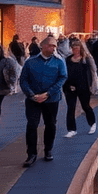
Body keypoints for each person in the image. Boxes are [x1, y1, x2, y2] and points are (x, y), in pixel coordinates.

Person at [19, 37, 68, 166]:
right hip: (33, 99)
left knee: (50, 125)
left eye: (55, 46)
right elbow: (23, 80)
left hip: (51, 99)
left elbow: (62, 77)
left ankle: (48, 150)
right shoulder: (31, 62)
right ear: (44, 46)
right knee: (31, 126)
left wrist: (48, 93)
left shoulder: (59, 62)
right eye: (52, 46)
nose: (54, 48)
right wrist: (32, 95)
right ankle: (31, 154)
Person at [62, 39, 98, 137]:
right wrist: (67, 85)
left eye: (77, 49)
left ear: (81, 49)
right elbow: (65, 73)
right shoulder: (68, 60)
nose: (75, 51)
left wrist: (94, 85)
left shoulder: (86, 59)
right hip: (70, 87)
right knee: (71, 108)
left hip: (83, 86)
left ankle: (92, 123)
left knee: (85, 106)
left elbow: (93, 71)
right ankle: (71, 129)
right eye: (74, 49)